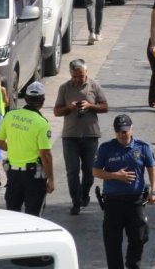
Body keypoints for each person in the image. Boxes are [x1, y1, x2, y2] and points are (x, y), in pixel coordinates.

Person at [94, 115, 155, 269]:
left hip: (135, 202)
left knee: (138, 239)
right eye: (119, 132)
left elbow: (152, 169)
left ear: (132, 129)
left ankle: (133, 265)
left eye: (125, 131)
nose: (122, 135)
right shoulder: (106, 148)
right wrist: (115, 175)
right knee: (112, 243)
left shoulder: (143, 147)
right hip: (113, 203)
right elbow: (96, 171)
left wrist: (154, 191)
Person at [54, 59, 109, 215]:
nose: (79, 79)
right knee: (72, 171)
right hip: (70, 136)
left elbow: (105, 106)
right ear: (71, 74)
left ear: (86, 73)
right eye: (76, 76)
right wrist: (69, 107)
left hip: (90, 135)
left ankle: (85, 193)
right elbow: (57, 112)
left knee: (89, 171)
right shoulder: (64, 88)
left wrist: (90, 106)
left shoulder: (94, 86)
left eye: (82, 76)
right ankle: (76, 202)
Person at [0, 81, 55, 215]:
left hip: (13, 175)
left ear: (26, 99)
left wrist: (13, 147)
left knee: (13, 215)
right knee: (33, 216)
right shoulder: (42, 123)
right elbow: (45, 154)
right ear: (42, 101)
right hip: (33, 177)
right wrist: (51, 179)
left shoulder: (10, 116)